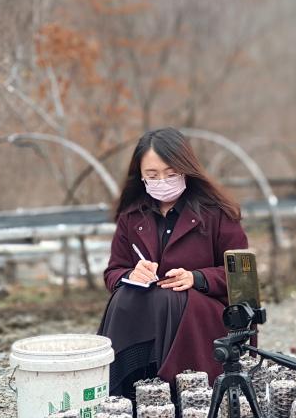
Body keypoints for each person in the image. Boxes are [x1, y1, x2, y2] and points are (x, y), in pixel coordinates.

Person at [99, 127, 248, 401]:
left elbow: (242, 276)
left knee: (168, 298)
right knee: (123, 298)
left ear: (186, 170)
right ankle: (121, 390)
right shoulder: (132, 216)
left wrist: (197, 278)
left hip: (207, 313)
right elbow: (113, 272)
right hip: (149, 307)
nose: (162, 181)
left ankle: (175, 392)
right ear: (140, 176)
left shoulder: (217, 213)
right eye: (152, 175)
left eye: (170, 174)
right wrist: (131, 274)